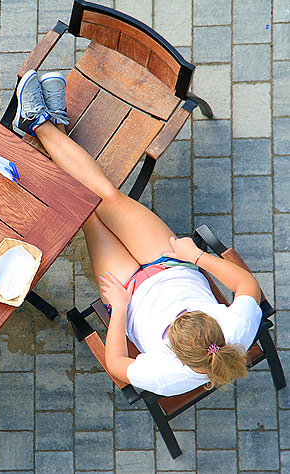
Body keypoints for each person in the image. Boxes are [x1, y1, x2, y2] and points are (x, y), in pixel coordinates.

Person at [14, 69, 262, 397]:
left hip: (128, 293)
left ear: (177, 354)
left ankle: (45, 124)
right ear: (214, 327)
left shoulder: (166, 377)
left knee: (87, 213)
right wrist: (197, 257)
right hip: (172, 263)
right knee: (106, 195)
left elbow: (116, 362)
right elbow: (247, 284)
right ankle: (43, 125)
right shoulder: (235, 330)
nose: (178, 312)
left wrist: (118, 308)